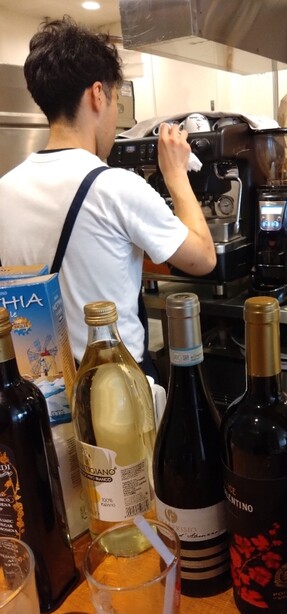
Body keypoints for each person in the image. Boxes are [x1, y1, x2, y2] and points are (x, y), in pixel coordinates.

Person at [0, 17, 216, 381]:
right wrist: (176, 174)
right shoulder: (114, 187)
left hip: (40, 385)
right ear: (98, 95)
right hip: (113, 388)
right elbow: (203, 258)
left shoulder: (5, 188)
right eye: (116, 101)